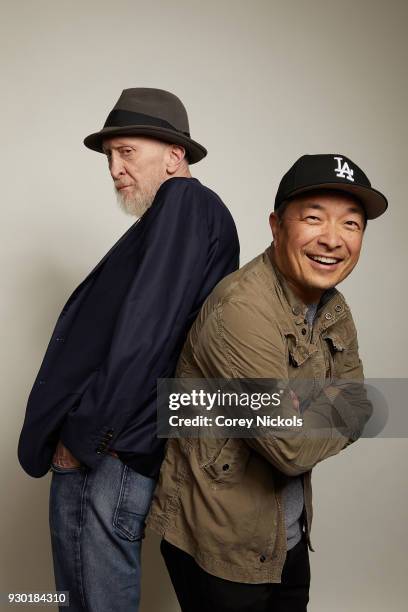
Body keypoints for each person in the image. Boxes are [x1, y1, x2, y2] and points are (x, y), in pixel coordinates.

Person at [17, 87, 239, 611]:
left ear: (174, 155)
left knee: (94, 595)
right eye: (110, 156)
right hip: (118, 436)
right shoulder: (176, 215)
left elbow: (149, 331)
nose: (114, 168)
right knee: (78, 594)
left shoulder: (184, 204)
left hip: (114, 443)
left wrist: (91, 436)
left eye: (127, 152)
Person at [147, 153, 388, 612]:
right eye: (314, 218)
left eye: (351, 225)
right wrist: (331, 409)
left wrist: (320, 411)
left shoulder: (332, 306)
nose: (333, 240)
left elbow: (364, 404)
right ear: (277, 226)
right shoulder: (240, 309)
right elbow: (289, 446)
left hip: (287, 535)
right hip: (220, 547)